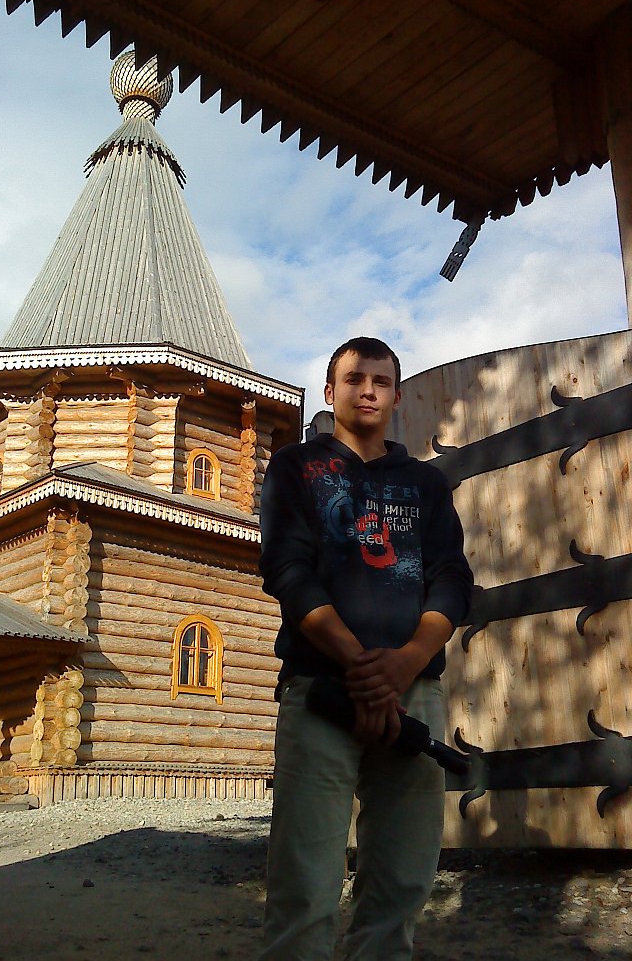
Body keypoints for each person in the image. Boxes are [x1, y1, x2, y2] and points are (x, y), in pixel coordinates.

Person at [258, 336, 473, 961]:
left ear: (397, 397)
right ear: (331, 393)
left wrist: (405, 662)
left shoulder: (427, 484)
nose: (368, 390)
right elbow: (287, 570)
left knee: (401, 880)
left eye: (381, 381)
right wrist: (360, 664)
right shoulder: (295, 468)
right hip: (321, 692)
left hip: (414, 693)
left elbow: (451, 579)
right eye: (354, 379)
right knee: (305, 881)